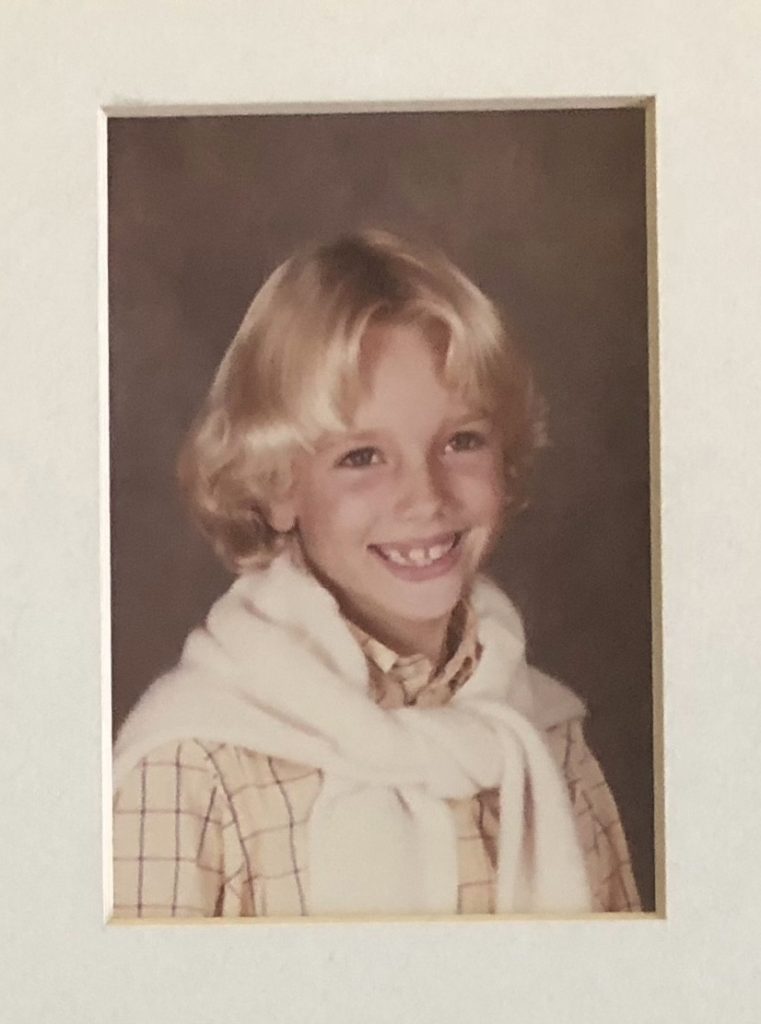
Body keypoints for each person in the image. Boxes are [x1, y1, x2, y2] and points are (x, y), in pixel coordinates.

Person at [112, 229, 640, 918]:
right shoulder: (194, 767)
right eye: (361, 456)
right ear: (277, 488)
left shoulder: (548, 743)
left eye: (461, 441)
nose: (424, 496)